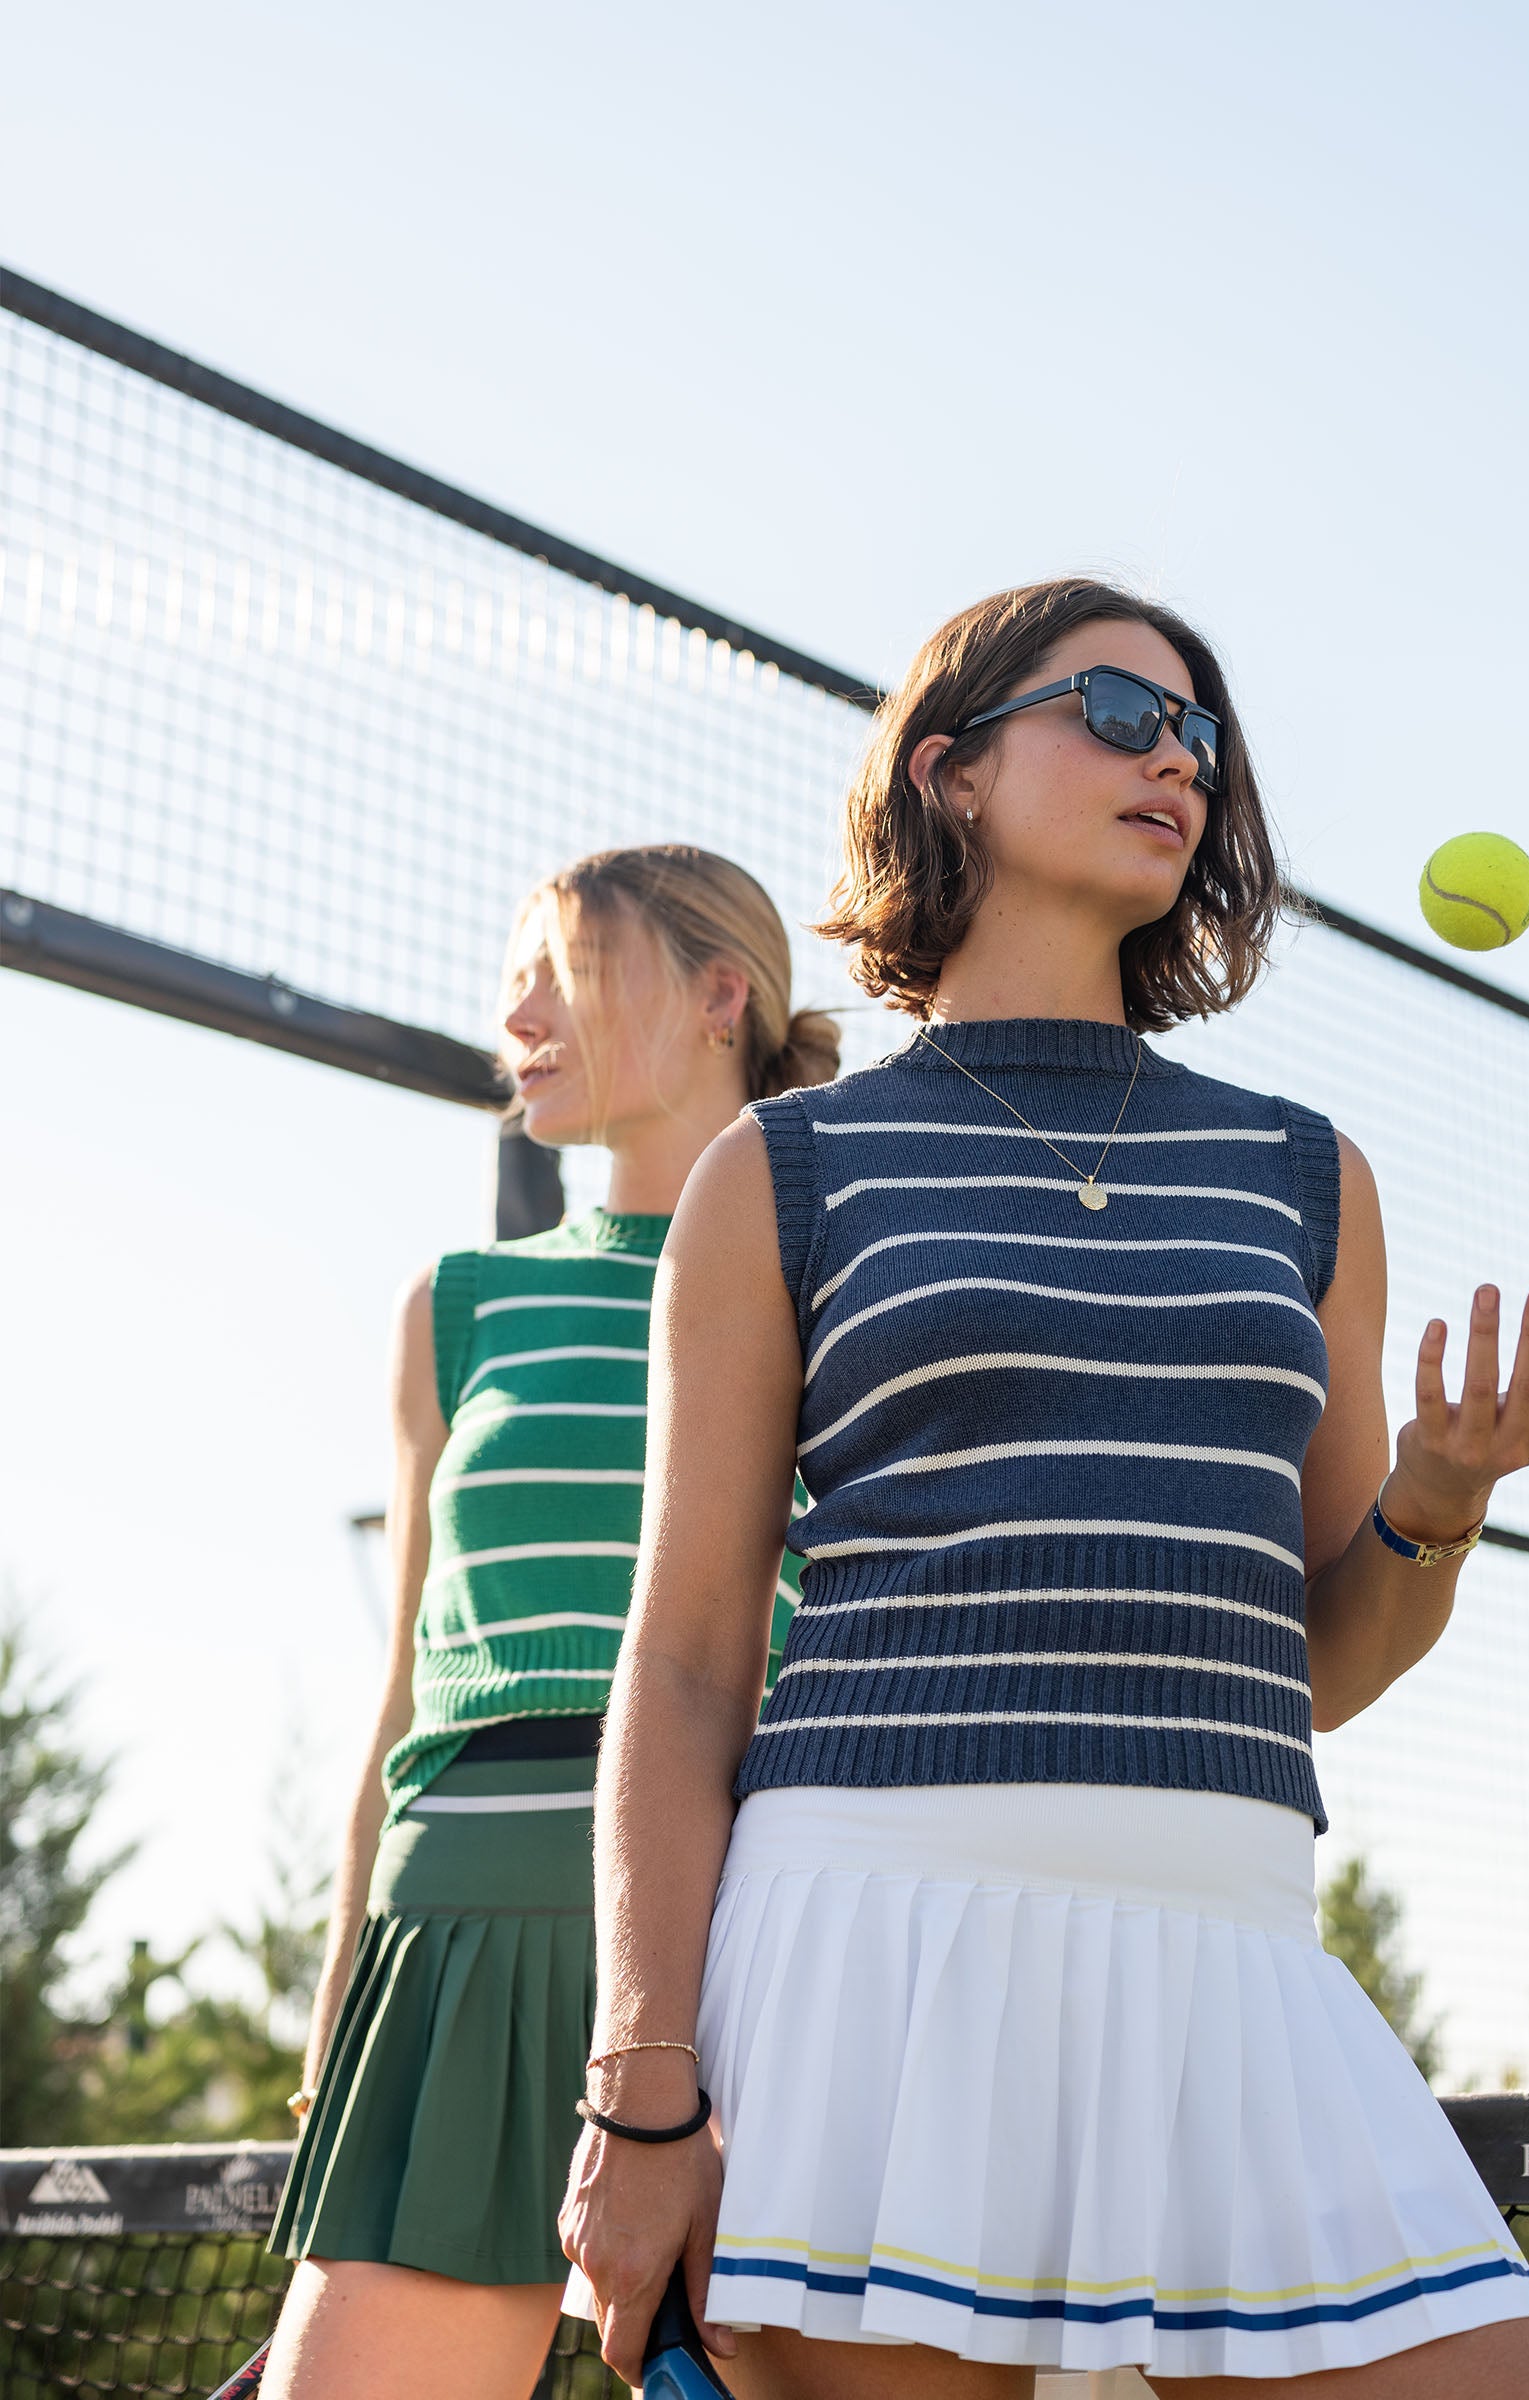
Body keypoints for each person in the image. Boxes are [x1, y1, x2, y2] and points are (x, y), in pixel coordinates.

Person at [559, 578, 1529, 2399]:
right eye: (1119, 716)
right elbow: (679, 1668)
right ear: (952, 773)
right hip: (867, 1963)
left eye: (1200, 736)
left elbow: (1318, 1660)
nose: (1179, 765)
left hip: (1235, 1960)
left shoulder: (1306, 1178)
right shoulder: (784, 1169)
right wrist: (641, 2099)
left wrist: (1441, 1498)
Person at [263, 846, 839, 2400]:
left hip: (747, 1945)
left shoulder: (834, 1287)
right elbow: (403, 1699)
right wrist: (338, 2027)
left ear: (723, 997)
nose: (514, 1007)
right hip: (459, 1934)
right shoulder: (456, 1305)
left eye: (561, 963)